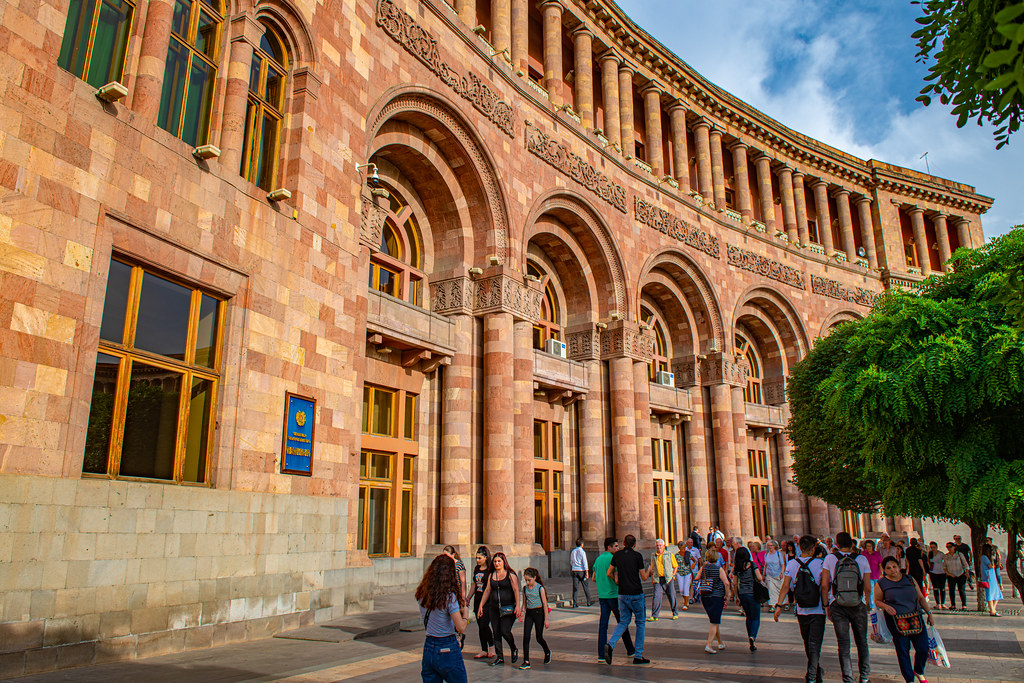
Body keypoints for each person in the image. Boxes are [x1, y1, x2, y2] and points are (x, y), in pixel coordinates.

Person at [773, 534, 826, 683]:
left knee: (808, 642)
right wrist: (827, 605)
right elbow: (824, 586)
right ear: (814, 548)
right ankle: (812, 675)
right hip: (818, 609)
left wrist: (779, 605)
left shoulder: (792, 564)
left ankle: (815, 671)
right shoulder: (820, 563)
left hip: (801, 609)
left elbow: (785, 586)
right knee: (815, 643)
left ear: (800, 547)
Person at [821, 532, 872, 683]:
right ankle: (864, 677)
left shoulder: (830, 558)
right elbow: (868, 587)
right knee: (862, 641)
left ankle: (848, 678)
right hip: (858, 603)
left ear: (836, 544)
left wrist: (826, 605)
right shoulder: (862, 559)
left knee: (843, 643)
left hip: (837, 604)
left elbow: (824, 585)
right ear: (852, 544)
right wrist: (865, 603)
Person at [874, 556, 934, 683]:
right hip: (896, 620)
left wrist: (929, 613)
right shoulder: (882, 583)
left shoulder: (909, 579)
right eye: (888, 568)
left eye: (894, 567)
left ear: (899, 566)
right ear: (884, 570)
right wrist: (886, 607)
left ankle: (919, 670)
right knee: (903, 650)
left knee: (923, 648)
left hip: (915, 618)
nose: (892, 570)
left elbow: (920, 597)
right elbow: (877, 601)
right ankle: (909, 678)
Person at [416, 554, 468, 683]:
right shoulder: (449, 597)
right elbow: (461, 627)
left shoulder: (422, 594)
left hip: (429, 646)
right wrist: (466, 614)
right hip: (447, 646)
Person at [604, 534, 652, 665]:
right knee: (640, 623)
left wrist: (617, 580)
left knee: (623, 622)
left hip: (622, 594)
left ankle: (610, 644)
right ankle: (638, 655)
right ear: (635, 544)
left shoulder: (617, 555)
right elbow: (644, 577)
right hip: (636, 593)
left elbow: (609, 573)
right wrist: (649, 571)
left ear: (624, 543)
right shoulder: (637, 556)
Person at [594, 537, 634, 664]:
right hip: (614, 595)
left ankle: (601, 655)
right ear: (609, 547)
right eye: (616, 546)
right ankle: (630, 649)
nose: (618, 548)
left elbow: (594, 578)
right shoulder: (613, 559)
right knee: (622, 623)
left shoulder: (598, 559)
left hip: (602, 595)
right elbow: (616, 578)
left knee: (603, 626)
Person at [477, 552, 520, 666]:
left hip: (508, 608)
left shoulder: (510, 575)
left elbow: (516, 590)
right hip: (494, 607)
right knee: (496, 632)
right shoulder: (492, 575)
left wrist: (518, 606)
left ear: (504, 562)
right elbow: (487, 591)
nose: (497, 563)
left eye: (499, 561)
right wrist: (481, 605)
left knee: (504, 631)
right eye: (495, 561)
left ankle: (513, 648)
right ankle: (500, 656)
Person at [695, 545, 731, 654]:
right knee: (714, 621)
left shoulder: (703, 568)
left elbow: (697, 578)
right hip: (717, 596)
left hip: (705, 596)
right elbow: (726, 583)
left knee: (714, 620)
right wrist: (727, 595)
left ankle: (720, 642)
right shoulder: (719, 569)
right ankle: (709, 644)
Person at [732, 538, 764, 651]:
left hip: (743, 594)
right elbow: (759, 578)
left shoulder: (737, 567)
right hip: (753, 593)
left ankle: (750, 636)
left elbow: (734, 583)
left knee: (748, 617)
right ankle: (753, 636)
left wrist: (736, 596)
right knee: (756, 617)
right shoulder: (752, 564)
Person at [517, 568, 550, 669]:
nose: (527, 582)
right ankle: (526, 661)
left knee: (538, 637)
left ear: (534, 578)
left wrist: (546, 619)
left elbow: (545, 604)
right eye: (526, 580)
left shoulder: (540, 588)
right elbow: (524, 603)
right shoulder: (525, 589)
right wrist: (522, 612)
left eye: (529, 580)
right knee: (526, 636)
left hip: (539, 613)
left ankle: (547, 651)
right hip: (529, 613)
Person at [467, 547, 494, 659]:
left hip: (487, 601)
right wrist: (468, 597)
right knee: (480, 626)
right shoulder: (477, 569)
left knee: (484, 624)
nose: (477, 560)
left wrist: (483, 604)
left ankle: (491, 646)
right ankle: (484, 649)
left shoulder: (490, 570)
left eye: (480, 558)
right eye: (476, 558)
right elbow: (474, 584)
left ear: (485, 557)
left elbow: (488, 588)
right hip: (477, 599)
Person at [442, 544, 468, 647]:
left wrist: (463, 596)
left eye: (447, 555)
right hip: (449, 592)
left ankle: (459, 636)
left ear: (453, 555)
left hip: (457, 594)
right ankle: (455, 636)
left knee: (457, 616)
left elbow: (463, 581)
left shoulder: (458, 565)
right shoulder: (445, 566)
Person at [649, 538, 678, 620]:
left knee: (672, 595)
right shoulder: (653, 555)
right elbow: (652, 568)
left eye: (660, 545)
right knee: (656, 596)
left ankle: (675, 613)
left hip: (668, 578)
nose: (659, 547)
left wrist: (673, 575)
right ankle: (654, 615)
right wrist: (652, 579)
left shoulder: (669, 554)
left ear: (664, 546)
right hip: (658, 579)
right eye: (657, 546)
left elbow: (675, 566)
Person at [942, 541, 969, 610]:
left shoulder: (959, 554)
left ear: (954, 547)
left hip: (960, 574)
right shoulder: (946, 556)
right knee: (951, 590)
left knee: (961, 590)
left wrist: (966, 572)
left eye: (950, 547)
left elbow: (965, 564)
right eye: (947, 547)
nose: (949, 548)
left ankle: (964, 605)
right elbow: (944, 567)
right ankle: (953, 605)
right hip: (951, 575)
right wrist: (949, 574)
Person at [980, 543, 1003, 616]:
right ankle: (992, 610)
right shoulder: (984, 557)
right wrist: (993, 559)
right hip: (988, 577)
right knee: (990, 593)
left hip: (992, 576)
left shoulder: (986, 557)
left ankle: (993, 609)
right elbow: (991, 566)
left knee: (997, 593)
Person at [763, 539, 787, 609]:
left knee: (780, 589)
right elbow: (765, 565)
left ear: (775, 546)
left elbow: (782, 564)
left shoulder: (778, 554)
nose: (770, 547)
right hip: (769, 575)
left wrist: (782, 573)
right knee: (771, 590)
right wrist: (764, 574)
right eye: (768, 545)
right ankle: (773, 605)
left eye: (771, 545)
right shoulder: (766, 554)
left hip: (778, 574)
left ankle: (783, 603)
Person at [569, 538, 592, 608]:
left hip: (574, 570)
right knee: (585, 586)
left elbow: (571, 561)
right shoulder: (582, 552)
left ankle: (575, 603)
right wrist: (587, 572)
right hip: (581, 570)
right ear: (582, 544)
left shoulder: (573, 551)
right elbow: (584, 562)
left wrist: (574, 566)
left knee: (575, 587)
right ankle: (589, 601)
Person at [675, 539, 698, 610]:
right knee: (681, 590)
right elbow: (674, 565)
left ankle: (685, 604)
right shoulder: (676, 556)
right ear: (679, 548)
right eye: (682, 548)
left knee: (686, 588)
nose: (683, 549)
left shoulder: (688, 554)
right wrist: (674, 574)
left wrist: (693, 564)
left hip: (687, 573)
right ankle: (686, 599)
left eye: (684, 547)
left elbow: (694, 560)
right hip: (680, 573)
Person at [861, 539, 882, 610]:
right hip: (867, 575)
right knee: (870, 590)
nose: (868, 548)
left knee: (878, 591)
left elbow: (880, 564)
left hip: (876, 574)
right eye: (867, 546)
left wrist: (881, 573)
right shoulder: (863, 554)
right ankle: (872, 606)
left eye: (870, 546)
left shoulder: (877, 554)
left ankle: (878, 605)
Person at [926, 541, 946, 609]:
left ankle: (943, 603)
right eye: (931, 547)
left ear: (936, 547)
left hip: (941, 572)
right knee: (935, 588)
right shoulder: (930, 554)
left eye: (934, 547)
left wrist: (945, 568)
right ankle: (938, 603)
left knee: (942, 588)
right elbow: (928, 561)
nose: (933, 549)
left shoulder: (941, 554)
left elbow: (945, 560)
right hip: (933, 572)